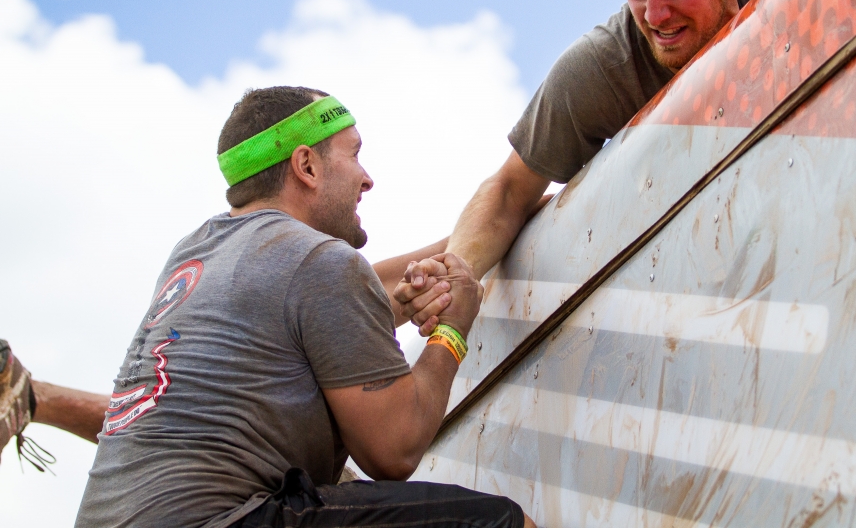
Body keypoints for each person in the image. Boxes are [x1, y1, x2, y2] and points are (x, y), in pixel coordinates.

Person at [55, 86, 534, 528]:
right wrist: (452, 330)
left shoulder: (196, 252)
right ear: (306, 166)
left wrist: (389, 307)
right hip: (218, 521)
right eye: (355, 155)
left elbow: (291, 341)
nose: (367, 179)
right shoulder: (319, 259)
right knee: (497, 523)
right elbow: (395, 449)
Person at [398, 0, 784, 330]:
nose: (656, 16)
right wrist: (454, 273)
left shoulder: (795, 6)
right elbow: (508, 193)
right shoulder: (600, 68)